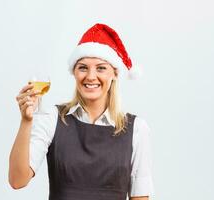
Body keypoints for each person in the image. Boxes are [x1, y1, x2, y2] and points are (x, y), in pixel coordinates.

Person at [9, 23, 154, 200]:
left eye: (101, 68)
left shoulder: (137, 129)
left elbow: (140, 197)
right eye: (83, 67)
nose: (91, 76)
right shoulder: (53, 119)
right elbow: (17, 180)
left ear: (114, 74)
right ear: (74, 72)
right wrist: (26, 121)